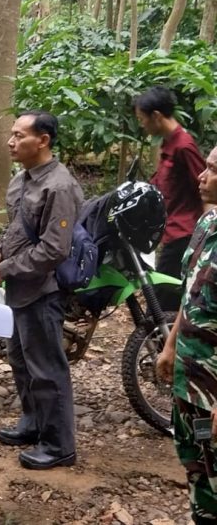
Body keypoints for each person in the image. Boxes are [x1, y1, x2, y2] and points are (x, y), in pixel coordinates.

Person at [0, 110, 81, 470]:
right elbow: (15, 227)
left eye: (19, 136)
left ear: (43, 141)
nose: (11, 142)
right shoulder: (22, 179)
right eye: (11, 134)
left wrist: (7, 268)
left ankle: (59, 445)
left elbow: (54, 250)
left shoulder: (59, 186)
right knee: (21, 360)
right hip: (20, 288)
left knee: (46, 367)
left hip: (43, 289)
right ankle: (33, 422)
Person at [157, 145, 217, 523]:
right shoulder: (207, 224)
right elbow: (191, 291)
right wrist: (170, 344)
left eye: (212, 169)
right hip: (190, 380)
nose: (202, 175)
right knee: (197, 470)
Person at [134, 87, 205, 309]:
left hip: (184, 234)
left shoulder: (184, 146)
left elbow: (205, 188)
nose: (142, 124)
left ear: (156, 116)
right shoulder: (168, 143)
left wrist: (205, 235)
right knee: (164, 297)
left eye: (142, 119)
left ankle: (162, 331)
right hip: (171, 232)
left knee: (161, 301)